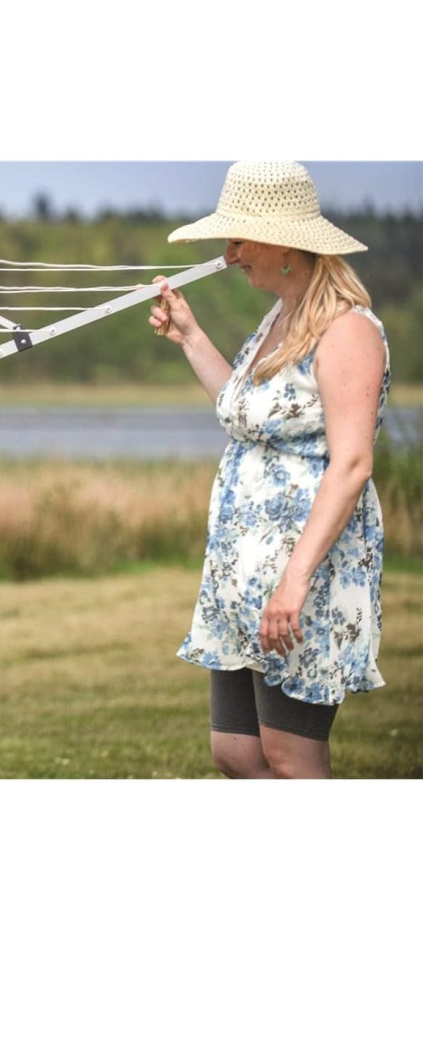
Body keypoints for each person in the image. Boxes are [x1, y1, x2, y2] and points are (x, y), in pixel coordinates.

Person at [149, 161, 389, 779]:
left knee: (289, 756)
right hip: (241, 571)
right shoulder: (278, 322)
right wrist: (191, 337)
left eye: (238, 239)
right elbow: (246, 414)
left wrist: (294, 581)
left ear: (284, 243)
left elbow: (353, 463)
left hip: (302, 571)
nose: (229, 255)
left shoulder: (348, 329)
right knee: (236, 752)